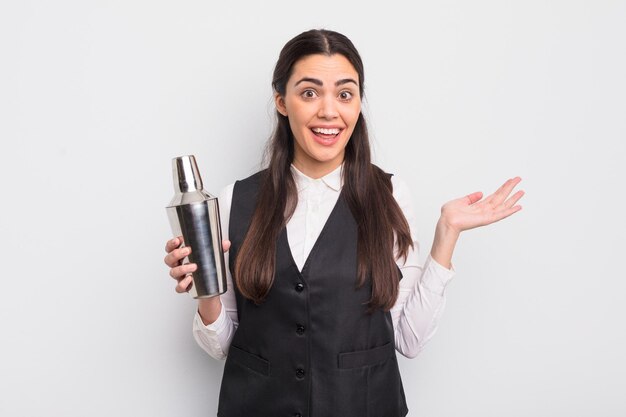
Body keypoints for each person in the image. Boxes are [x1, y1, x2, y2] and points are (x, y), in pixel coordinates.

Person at [164, 28, 524, 417]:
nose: (329, 111)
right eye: (309, 92)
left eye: (345, 94)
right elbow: (220, 345)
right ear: (281, 102)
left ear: (357, 104)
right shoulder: (236, 198)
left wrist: (447, 236)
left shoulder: (389, 196)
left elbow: (409, 339)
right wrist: (206, 291)